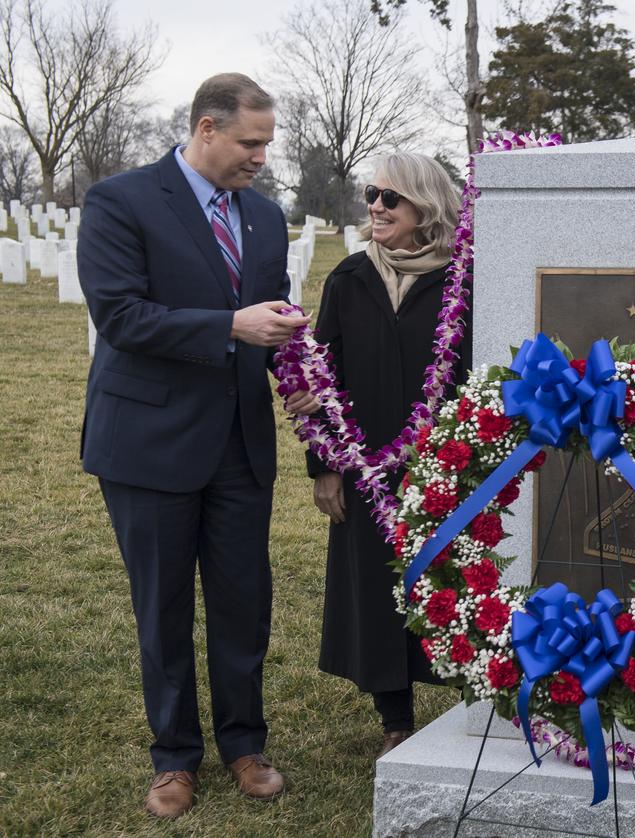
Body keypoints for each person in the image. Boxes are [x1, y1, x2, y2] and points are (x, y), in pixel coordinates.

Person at [79, 73, 318, 819]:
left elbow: (269, 315)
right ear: (207, 128)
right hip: (148, 441)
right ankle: (173, 757)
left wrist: (297, 369)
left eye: (268, 144)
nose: (261, 158)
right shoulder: (120, 201)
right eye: (251, 143)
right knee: (164, 604)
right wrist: (228, 328)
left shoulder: (268, 217)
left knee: (245, 601)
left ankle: (244, 743)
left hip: (241, 443)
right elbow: (122, 316)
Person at [306, 152, 470, 761]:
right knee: (377, 588)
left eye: (390, 197)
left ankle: (473, 701)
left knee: (455, 582)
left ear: (424, 206)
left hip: (449, 465)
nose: (375, 205)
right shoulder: (349, 278)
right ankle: (395, 718)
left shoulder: (464, 282)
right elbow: (324, 377)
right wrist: (324, 466)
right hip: (366, 464)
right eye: (371, 193)